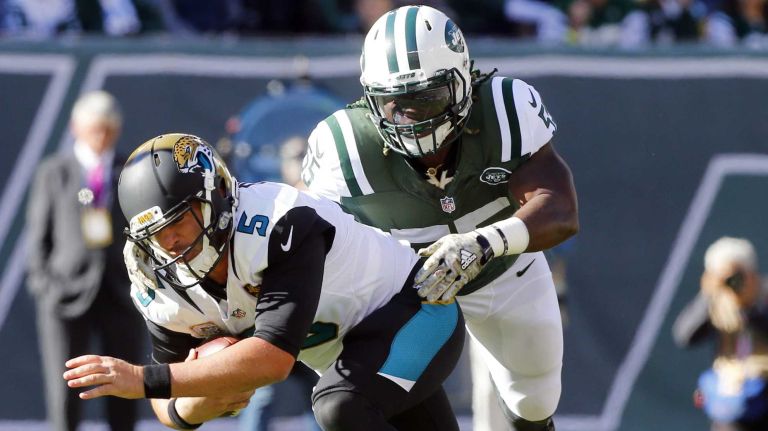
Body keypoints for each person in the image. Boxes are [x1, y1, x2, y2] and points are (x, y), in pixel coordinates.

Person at [63, 134, 465, 431]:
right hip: (353, 355)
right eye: (155, 234)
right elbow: (168, 396)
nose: (170, 242)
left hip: (414, 314)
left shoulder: (278, 221)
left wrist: (140, 380)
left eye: (179, 220)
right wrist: (196, 406)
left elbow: (273, 359)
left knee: (339, 406)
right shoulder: (159, 279)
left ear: (217, 195)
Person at [300, 5, 579, 430]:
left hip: (503, 273)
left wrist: (484, 243)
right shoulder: (343, 145)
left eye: (429, 97)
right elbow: (315, 243)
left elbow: (560, 208)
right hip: (407, 295)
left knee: (534, 401)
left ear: (465, 79)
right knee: (360, 401)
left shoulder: (504, 106)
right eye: (395, 104)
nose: (413, 118)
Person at [26, 91, 145, 431]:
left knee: (123, 387)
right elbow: (38, 237)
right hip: (64, 295)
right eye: (95, 129)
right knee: (65, 390)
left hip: (118, 293)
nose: (101, 136)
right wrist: (46, 286)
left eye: (108, 129)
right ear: (76, 128)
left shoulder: (130, 171)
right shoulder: (54, 171)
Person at [673, 237, 768, 431]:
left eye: (736, 275)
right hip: (731, 396)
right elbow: (685, 337)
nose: (732, 283)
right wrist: (707, 296)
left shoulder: (763, 295)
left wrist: (749, 306)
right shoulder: (717, 302)